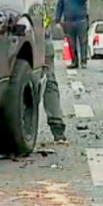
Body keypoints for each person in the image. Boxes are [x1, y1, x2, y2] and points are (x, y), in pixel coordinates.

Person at [42, 13, 67, 143]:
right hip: (41, 34)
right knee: (48, 81)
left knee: (48, 81)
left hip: (38, 35)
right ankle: (57, 128)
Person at [55, 0, 89, 69]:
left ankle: (83, 61)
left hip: (81, 21)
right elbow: (59, 7)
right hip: (69, 22)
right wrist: (57, 20)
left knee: (83, 42)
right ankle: (74, 61)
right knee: (72, 43)